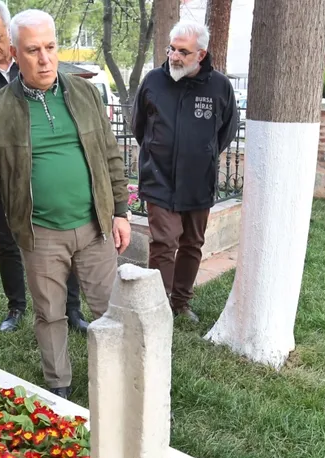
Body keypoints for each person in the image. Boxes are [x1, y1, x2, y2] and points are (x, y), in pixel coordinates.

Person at [0, 9, 131, 400]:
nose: (45, 58)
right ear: (16, 53)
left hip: (94, 226)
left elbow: (109, 155)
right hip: (41, 232)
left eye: (50, 47)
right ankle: (60, 389)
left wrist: (121, 210)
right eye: (33, 50)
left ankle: (118, 383)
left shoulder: (85, 93)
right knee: (49, 313)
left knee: (109, 312)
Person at [0, 0, 85, 334]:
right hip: (3, 175)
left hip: (43, 175)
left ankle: (72, 309)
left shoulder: (32, 59)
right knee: (8, 242)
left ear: (10, 36)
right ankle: (16, 306)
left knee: (62, 238)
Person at [132, 20, 238, 323]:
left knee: (192, 243)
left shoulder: (220, 86)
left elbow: (226, 131)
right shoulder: (153, 81)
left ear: (200, 55)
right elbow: (138, 126)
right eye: (172, 48)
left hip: (197, 181)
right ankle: (158, 305)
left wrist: (201, 154)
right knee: (164, 244)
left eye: (183, 51)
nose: (174, 56)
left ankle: (180, 302)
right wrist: (157, 152)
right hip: (160, 179)